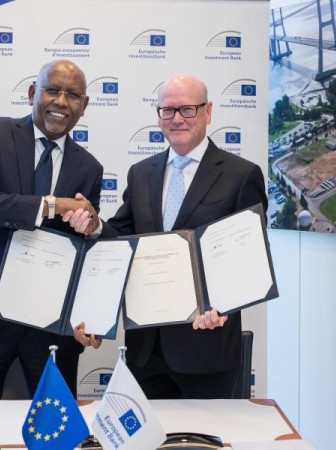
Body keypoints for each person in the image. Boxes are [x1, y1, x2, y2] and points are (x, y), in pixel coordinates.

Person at [65, 74, 267, 399]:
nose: (177, 119)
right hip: (146, 349)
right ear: (158, 115)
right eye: (168, 110)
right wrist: (95, 225)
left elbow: (249, 259)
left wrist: (224, 306)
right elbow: (121, 236)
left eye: (187, 109)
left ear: (207, 111)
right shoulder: (141, 173)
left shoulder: (241, 175)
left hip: (206, 349)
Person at [0, 60, 103, 399]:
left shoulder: (90, 168)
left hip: (50, 324)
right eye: (52, 90)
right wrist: (53, 205)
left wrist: (92, 226)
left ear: (84, 105)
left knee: (55, 421)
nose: (61, 102)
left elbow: (84, 252)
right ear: (32, 93)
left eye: (73, 95)